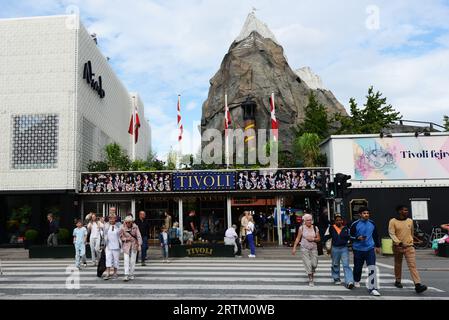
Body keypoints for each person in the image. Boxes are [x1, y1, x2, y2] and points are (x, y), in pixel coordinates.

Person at [389, 205, 428, 293]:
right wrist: (398, 242)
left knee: (412, 266)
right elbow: (391, 233)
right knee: (398, 264)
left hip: (409, 247)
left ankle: (417, 285)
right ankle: (398, 281)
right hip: (398, 247)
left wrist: (413, 241)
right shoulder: (393, 221)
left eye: (407, 210)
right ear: (399, 211)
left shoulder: (410, 221)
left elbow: (411, 232)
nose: (407, 212)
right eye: (405, 210)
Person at [350, 207, 381, 296]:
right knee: (358, 267)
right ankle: (356, 279)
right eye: (364, 213)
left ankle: (373, 288)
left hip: (370, 249)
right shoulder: (355, 224)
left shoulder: (372, 223)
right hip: (358, 249)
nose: (366, 215)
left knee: (372, 267)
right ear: (360, 214)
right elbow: (350, 236)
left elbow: (375, 235)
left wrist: (378, 246)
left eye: (367, 213)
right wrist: (357, 238)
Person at [324, 215, 354, 289]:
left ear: (342, 221)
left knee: (346, 265)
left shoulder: (346, 228)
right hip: (335, 248)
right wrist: (327, 248)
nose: (339, 221)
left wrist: (353, 242)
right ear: (335, 221)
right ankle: (336, 278)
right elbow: (326, 237)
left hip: (344, 248)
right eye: (337, 220)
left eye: (340, 220)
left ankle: (349, 281)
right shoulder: (331, 228)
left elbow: (350, 237)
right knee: (335, 264)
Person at [292, 213, 320, 286]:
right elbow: (298, 238)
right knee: (307, 264)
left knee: (314, 264)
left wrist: (313, 239)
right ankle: (311, 279)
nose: (309, 221)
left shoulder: (315, 228)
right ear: (304, 221)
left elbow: (319, 239)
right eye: (308, 220)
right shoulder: (301, 228)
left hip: (314, 248)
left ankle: (312, 270)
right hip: (304, 248)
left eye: (310, 220)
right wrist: (294, 247)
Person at [120, 215, 142, 281]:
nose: (127, 223)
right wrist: (126, 239)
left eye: (129, 222)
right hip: (126, 245)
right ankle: (126, 274)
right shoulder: (122, 227)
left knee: (132, 260)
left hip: (134, 245)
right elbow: (121, 237)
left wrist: (139, 245)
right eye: (126, 222)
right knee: (126, 260)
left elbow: (139, 236)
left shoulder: (135, 227)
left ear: (131, 222)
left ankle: (131, 274)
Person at [103, 214, 121, 280]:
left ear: (115, 219)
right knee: (108, 259)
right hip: (108, 246)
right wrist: (104, 244)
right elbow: (104, 235)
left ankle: (115, 272)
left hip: (116, 246)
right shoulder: (106, 226)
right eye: (110, 218)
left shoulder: (118, 225)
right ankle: (108, 273)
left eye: (113, 218)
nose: (112, 220)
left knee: (116, 260)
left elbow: (121, 234)